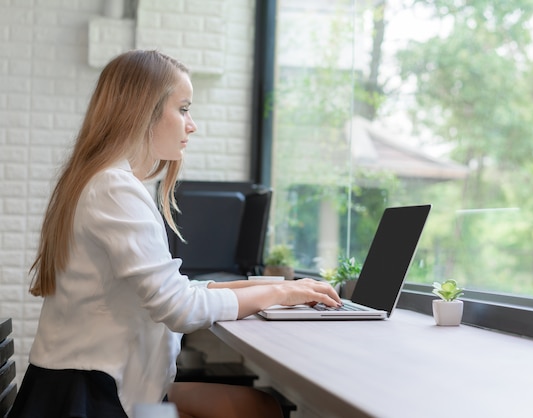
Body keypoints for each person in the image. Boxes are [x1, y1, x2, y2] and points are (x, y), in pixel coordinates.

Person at [8, 49, 342, 418]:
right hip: (91, 400)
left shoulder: (106, 182)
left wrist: (274, 289)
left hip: (108, 388)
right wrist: (279, 291)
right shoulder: (113, 188)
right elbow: (178, 308)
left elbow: (175, 291)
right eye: (183, 109)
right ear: (143, 111)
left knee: (259, 406)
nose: (191, 124)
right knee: (258, 410)